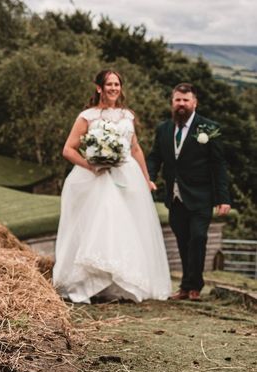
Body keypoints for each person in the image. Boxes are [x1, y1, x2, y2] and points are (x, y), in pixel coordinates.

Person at [53, 70, 171, 303]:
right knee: (102, 221)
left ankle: (122, 284)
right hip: (96, 177)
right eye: (109, 84)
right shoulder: (87, 116)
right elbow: (68, 149)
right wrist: (90, 164)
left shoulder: (127, 115)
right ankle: (91, 282)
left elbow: (135, 149)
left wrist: (147, 179)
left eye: (117, 84)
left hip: (128, 176)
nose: (114, 88)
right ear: (99, 88)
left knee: (129, 226)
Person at [147, 82, 231, 301]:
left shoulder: (208, 128)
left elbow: (218, 164)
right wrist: (149, 177)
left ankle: (195, 285)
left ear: (195, 102)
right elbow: (155, 156)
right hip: (174, 197)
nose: (181, 104)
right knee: (183, 241)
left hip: (201, 197)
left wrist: (223, 198)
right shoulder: (163, 129)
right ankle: (185, 286)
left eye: (185, 100)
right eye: (177, 100)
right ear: (172, 102)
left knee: (199, 237)